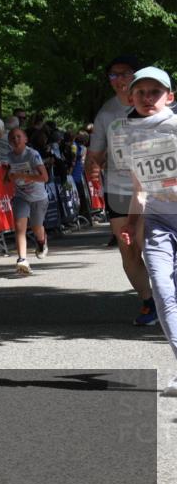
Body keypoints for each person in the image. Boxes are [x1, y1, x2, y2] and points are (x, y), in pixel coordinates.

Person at [118, 67, 177, 395]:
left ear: (170, 97)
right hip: (158, 223)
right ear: (131, 97)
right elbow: (140, 189)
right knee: (163, 291)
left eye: (155, 92)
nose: (147, 98)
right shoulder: (132, 137)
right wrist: (131, 222)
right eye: (140, 92)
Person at [89, 55, 155, 325]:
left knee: (149, 245)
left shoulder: (158, 105)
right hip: (119, 189)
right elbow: (95, 155)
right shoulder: (106, 113)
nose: (119, 80)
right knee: (129, 250)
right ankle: (149, 302)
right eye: (113, 75)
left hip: (155, 188)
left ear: (136, 75)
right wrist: (93, 167)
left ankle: (166, 298)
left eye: (124, 74)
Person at [6, 127, 50, 275]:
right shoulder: (10, 156)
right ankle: (22, 260)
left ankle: (41, 242)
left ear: (25, 139)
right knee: (20, 227)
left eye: (19, 137)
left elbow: (45, 178)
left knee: (37, 228)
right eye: (12, 138)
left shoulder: (32, 154)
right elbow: (8, 176)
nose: (16, 140)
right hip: (21, 196)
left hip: (38, 197)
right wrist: (10, 177)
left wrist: (25, 177)